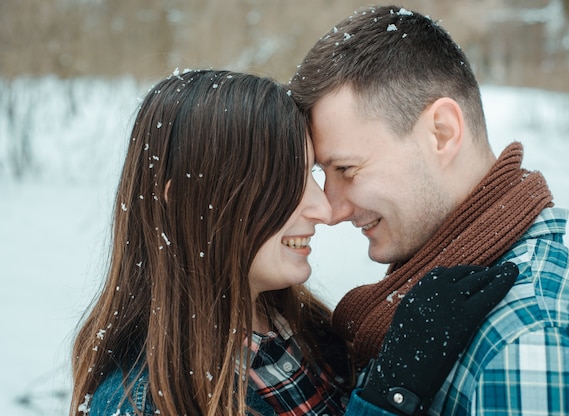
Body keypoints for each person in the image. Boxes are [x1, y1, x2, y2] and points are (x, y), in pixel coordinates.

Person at [69, 69, 517, 416]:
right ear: (185, 197)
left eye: (312, 175)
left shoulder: (307, 336)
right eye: (285, 180)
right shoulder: (146, 402)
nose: (323, 209)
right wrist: (389, 394)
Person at [289, 5, 569, 415]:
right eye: (326, 173)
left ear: (442, 133)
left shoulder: (531, 344)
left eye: (347, 169)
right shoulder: (449, 303)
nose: (332, 209)